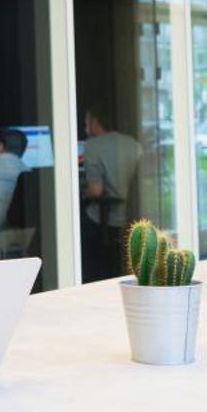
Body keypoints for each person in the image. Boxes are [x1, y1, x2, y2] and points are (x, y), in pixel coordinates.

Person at [79, 104, 142, 281]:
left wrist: (82, 192)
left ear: (95, 122)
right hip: (131, 217)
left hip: (106, 220)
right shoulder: (133, 143)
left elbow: (96, 191)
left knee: (75, 222)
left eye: (86, 122)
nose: (85, 127)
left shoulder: (92, 146)